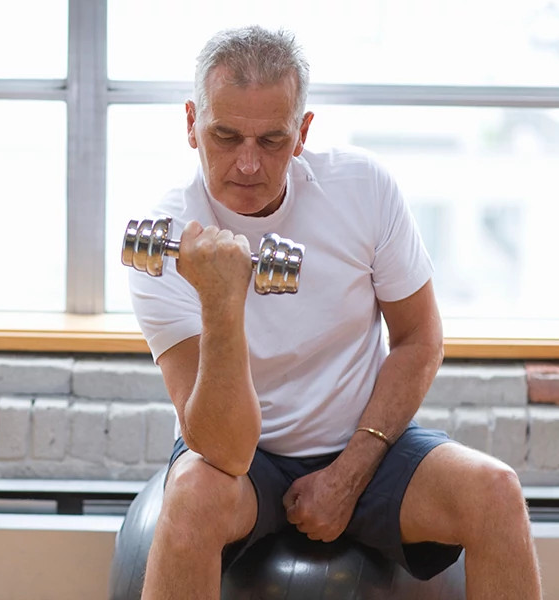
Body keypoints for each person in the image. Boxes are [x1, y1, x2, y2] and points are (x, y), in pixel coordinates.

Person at [128, 25, 542, 599]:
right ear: (191, 123)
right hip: (243, 462)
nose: (247, 164)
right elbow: (223, 449)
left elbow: (420, 339)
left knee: (496, 492)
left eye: (271, 140)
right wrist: (221, 302)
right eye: (225, 136)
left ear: (302, 132)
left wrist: (350, 473)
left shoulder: (361, 188)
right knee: (191, 498)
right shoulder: (167, 242)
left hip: (363, 442)